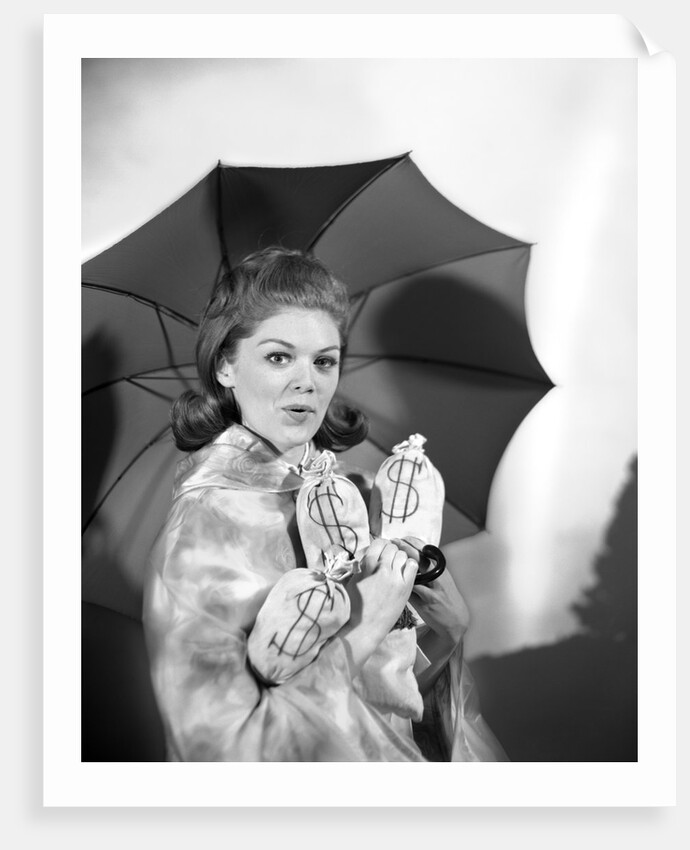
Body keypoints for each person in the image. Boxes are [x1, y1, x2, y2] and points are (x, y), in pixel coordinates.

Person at [142, 246, 506, 762]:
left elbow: (390, 708)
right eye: (278, 357)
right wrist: (363, 627)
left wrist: (447, 631)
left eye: (324, 361)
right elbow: (225, 756)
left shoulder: (355, 494)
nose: (307, 382)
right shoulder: (204, 525)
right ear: (226, 365)